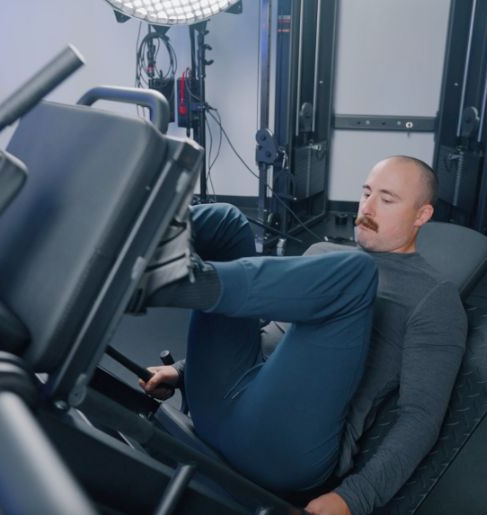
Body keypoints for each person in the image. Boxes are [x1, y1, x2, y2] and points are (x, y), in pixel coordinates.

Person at [133, 156, 467, 515]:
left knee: (355, 274)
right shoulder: (324, 254)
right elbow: (265, 331)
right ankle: (131, 248)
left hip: (280, 447)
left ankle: (167, 280)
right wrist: (183, 371)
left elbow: (421, 416)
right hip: (218, 403)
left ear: (421, 215)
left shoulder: (434, 297)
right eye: (366, 193)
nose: (367, 207)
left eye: (386, 200)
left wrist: (355, 497)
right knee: (228, 220)